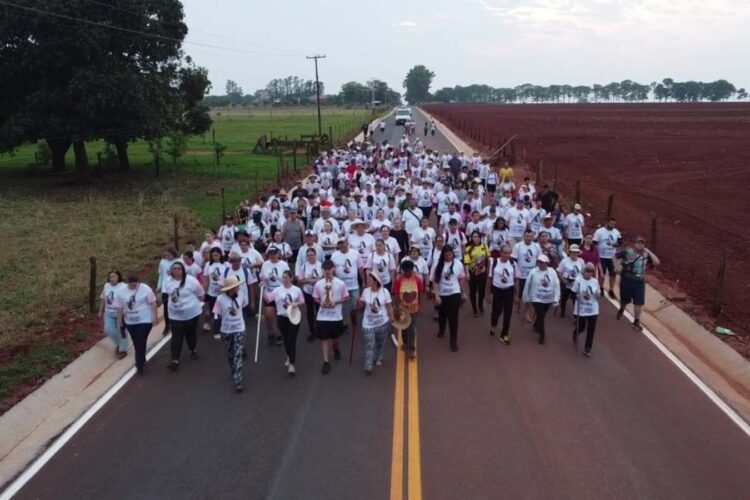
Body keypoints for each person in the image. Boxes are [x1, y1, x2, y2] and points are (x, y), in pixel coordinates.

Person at [164, 261, 205, 372]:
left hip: (191, 314)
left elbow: (201, 294)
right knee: (177, 336)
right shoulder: (168, 281)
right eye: (174, 269)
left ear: (183, 270)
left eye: (178, 268)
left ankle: (193, 349)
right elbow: (167, 294)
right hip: (175, 315)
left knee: (190, 333)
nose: (176, 271)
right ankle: (175, 359)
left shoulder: (191, 281)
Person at [116, 273, 158, 375]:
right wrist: (120, 321)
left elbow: (153, 302)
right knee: (137, 342)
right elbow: (120, 307)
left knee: (141, 339)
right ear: (128, 283)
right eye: (131, 285)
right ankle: (141, 357)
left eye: (135, 284)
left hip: (144, 320)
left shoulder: (145, 289)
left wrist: (155, 316)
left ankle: (139, 364)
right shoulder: (122, 292)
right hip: (130, 321)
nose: (134, 286)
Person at [312, 260, 350, 374]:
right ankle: (326, 361)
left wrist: (336, 302)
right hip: (322, 317)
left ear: (333, 269)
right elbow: (315, 297)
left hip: (336, 317)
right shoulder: (318, 284)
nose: (327, 271)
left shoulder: (340, 283)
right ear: (323, 270)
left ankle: (336, 348)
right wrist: (320, 303)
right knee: (323, 339)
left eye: (329, 269)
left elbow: (346, 297)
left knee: (336, 338)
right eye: (325, 269)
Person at [615, 236, 660, 331]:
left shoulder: (646, 255)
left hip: (639, 282)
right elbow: (615, 256)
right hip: (626, 280)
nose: (640, 245)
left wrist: (649, 252)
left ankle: (636, 321)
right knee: (624, 300)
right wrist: (617, 266)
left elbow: (657, 262)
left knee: (638, 302)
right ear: (635, 244)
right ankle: (621, 309)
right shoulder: (628, 252)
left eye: (642, 243)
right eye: (638, 243)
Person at [212, 276, 249, 392]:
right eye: (236, 286)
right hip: (226, 330)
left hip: (239, 328)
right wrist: (217, 332)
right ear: (231, 288)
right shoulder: (220, 299)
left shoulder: (241, 294)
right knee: (230, 353)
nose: (238, 287)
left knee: (238, 353)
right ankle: (233, 369)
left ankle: (238, 380)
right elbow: (216, 315)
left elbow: (243, 306)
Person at [265, 271, 305, 375]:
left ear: (291, 278)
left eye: (286, 277)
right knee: (286, 339)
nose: (284, 279)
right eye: (283, 278)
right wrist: (263, 288)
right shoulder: (277, 290)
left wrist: (295, 303)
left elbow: (302, 301)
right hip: (282, 317)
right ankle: (289, 355)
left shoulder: (297, 290)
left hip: (293, 317)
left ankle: (292, 364)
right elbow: (268, 299)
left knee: (292, 339)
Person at [431, 245, 466, 352]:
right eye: (446, 255)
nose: (448, 257)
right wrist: (436, 295)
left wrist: (463, 292)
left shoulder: (458, 264)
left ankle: (453, 341)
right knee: (442, 315)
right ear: (443, 255)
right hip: (442, 294)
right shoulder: (437, 264)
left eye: (450, 254)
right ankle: (442, 329)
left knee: (453, 318)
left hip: (454, 293)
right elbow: (434, 280)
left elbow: (461, 278)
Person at [358, 272, 395, 375]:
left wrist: (391, 317)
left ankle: (379, 356)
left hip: (382, 322)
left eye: (369, 280)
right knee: (370, 344)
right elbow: (361, 305)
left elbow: (389, 306)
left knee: (380, 342)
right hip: (368, 323)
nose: (367, 281)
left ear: (376, 281)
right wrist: (358, 304)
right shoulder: (365, 291)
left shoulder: (385, 292)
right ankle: (368, 365)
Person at [522, 255, 560, 345]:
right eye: (540, 262)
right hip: (537, 298)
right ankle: (542, 335)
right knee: (541, 315)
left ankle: (536, 325)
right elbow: (528, 284)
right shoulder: (533, 272)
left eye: (544, 263)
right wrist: (526, 297)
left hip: (548, 298)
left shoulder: (552, 272)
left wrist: (556, 298)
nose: (542, 264)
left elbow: (556, 285)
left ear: (547, 263)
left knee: (542, 315)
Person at [393, 260, 424, 359]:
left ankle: (412, 349)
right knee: (404, 327)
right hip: (403, 309)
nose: (408, 273)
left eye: (409, 271)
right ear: (402, 270)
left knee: (412, 329)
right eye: (405, 271)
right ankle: (405, 342)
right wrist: (398, 307)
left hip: (414, 308)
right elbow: (396, 294)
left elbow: (420, 293)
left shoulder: (418, 280)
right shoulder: (398, 280)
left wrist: (420, 306)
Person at [259, 247, 290, 346]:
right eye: (271, 254)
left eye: (274, 253)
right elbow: (262, 277)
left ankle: (279, 333)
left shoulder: (284, 264)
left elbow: (288, 278)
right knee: (269, 314)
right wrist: (263, 282)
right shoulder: (265, 264)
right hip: (269, 292)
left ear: (278, 254)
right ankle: (272, 332)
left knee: (281, 314)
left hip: (281, 293)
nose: (272, 256)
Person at [331, 238, 361, 337]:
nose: (342, 246)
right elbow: (332, 270)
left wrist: (364, 281)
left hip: (354, 285)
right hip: (341, 286)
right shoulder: (334, 255)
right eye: (340, 245)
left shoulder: (355, 253)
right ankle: (344, 324)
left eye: (343, 244)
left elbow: (360, 267)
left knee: (354, 305)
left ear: (347, 243)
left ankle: (353, 316)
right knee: (343, 307)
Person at [488, 245, 515, 344]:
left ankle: (504, 334)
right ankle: (493, 323)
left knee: (508, 313)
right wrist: (488, 294)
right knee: (496, 310)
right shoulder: (494, 263)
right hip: (497, 290)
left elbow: (516, 279)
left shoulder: (513, 263)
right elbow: (490, 279)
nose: (507, 255)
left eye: (509, 253)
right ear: (501, 253)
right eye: (505, 253)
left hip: (509, 290)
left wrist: (516, 295)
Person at [572, 262, 601, 357]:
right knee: (582, 327)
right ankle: (576, 332)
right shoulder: (578, 281)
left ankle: (588, 348)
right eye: (587, 271)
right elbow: (572, 293)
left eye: (591, 272)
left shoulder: (595, 281)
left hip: (593, 309)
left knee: (591, 329)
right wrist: (576, 296)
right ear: (584, 271)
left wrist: (598, 294)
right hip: (582, 308)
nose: (589, 273)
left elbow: (599, 294)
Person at [511, 230, 541, 320]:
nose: (528, 238)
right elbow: (514, 260)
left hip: (532, 275)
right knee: (519, 294)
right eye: (527, 236)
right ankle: (518, 303)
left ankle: (527, 313)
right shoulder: (518, 246)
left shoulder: (536, 246)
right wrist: (515, 274)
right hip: (520, 275)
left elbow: (539, 260)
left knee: (529, 295)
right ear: (523, 236)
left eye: (530, 236)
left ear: (533, 237)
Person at [98, 270, 128, 359]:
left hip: (121, 314)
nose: (112, 279)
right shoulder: (106, 286)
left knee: (121, 331)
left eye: (114, 276)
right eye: (110, 277)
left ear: (118, 277)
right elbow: (103, 299)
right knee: (109, 330)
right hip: (109, 313)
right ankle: (118, 344)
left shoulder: (123, 286)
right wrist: (100, 310)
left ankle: (123, 349)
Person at [298, 247, 323, 343]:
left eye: (312, 255)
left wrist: (317, 281)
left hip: (319, 293)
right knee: (309, 312)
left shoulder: (320, 265)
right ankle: (312, 331)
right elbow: (300, 280)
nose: (310, 257)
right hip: (308, 292)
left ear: (315, 255)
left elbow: (325, 278)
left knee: (319, 310)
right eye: (308, 255)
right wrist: (309, 280)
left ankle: (320, 329)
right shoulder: (304, 266)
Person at [593, 217, 622, 298]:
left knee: (613, 274)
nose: (612, 225)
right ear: (607, 223)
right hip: (602, 256)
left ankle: (611, 289)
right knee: (602, 273)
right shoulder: (599, 231)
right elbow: (594, 243)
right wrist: (596, 253)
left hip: (612, 256)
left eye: (613, 224)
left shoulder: (616, 232)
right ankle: (601, 287)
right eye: (611, 223)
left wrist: (615, 244)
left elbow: (620, 242)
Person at [463, 231, 490, 317]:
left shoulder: (485, 247)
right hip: (473, 272)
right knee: (473, 291)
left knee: (481, 290)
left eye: (477, 237)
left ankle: (480, 304)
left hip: (482, 272)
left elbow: (488, 259)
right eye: (474, 237)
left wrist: (488, 271)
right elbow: (466, 262)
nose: (476, 238)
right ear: (471, 238)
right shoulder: (469, 248)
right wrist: (467, 273)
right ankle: (474, 308)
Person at [156, 247, 181, 335]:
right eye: (165, 255)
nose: (167, 257)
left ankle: (178, 323)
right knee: (166, 308)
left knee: (177, 305)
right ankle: (167, 325)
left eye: (169, 255)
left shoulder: (179, 261)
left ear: (173, 254)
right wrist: (159, 287)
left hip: (176, 288)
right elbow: (161, 275)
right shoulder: (163, 262)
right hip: (165, 288)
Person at [202, 247, 225, 338]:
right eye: (213, 255)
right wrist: (204, 291)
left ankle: (219, 330)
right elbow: (206, 279)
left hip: (222, 293)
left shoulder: (225, 265)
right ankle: (207, 323)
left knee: (220, 312)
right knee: (211, 311)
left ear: (220, 255)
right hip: (211, 292)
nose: (215, 257)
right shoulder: (208, 265)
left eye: (217, 255)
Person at [556, 244, 584, 318]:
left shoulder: (581, 261)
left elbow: (583, 272)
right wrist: (563, 280)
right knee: (564, 298)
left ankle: (575, 315)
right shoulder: (564, 261)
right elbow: (559, 271)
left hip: (576, 283)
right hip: (566, 281)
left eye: (576, 252)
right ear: (570, 252)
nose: (574, 254)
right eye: (573, 252)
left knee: (575, 299)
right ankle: (562, 310)